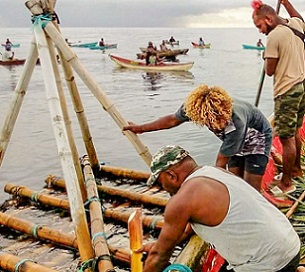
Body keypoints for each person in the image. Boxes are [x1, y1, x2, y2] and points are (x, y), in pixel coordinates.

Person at [139, 145, 300, 272]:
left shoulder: (182, 200)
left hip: (270, 264)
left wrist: (158, 252)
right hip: (290, 246)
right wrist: (160, 245)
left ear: (171, 176)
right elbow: (185, 231)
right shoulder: (214, 172)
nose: (164, 188)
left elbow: (159, 256)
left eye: (161, 182)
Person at [123, 84, 272, 191]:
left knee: (251, 187)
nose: (217, 127)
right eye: (212, 123)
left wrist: (212, 190)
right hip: (233, 141)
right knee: (235, 180)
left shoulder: (235, 123)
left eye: (220, 122)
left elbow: (221, 162)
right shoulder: (195, 108)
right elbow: (171, 120)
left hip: (257, 138)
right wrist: (140, 128)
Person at [252, 0, 305, 194]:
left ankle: (286, 183)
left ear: (269, 18)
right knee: (295, 130)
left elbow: (269, 70)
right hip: (301, 86)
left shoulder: (274, 37)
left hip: (286, 91)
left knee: (286, 138)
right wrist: (286, 3)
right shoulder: (294, 24)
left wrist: (267, 55)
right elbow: (299, 17)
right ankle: (297, 169)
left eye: (260, 26)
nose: (260, 31)